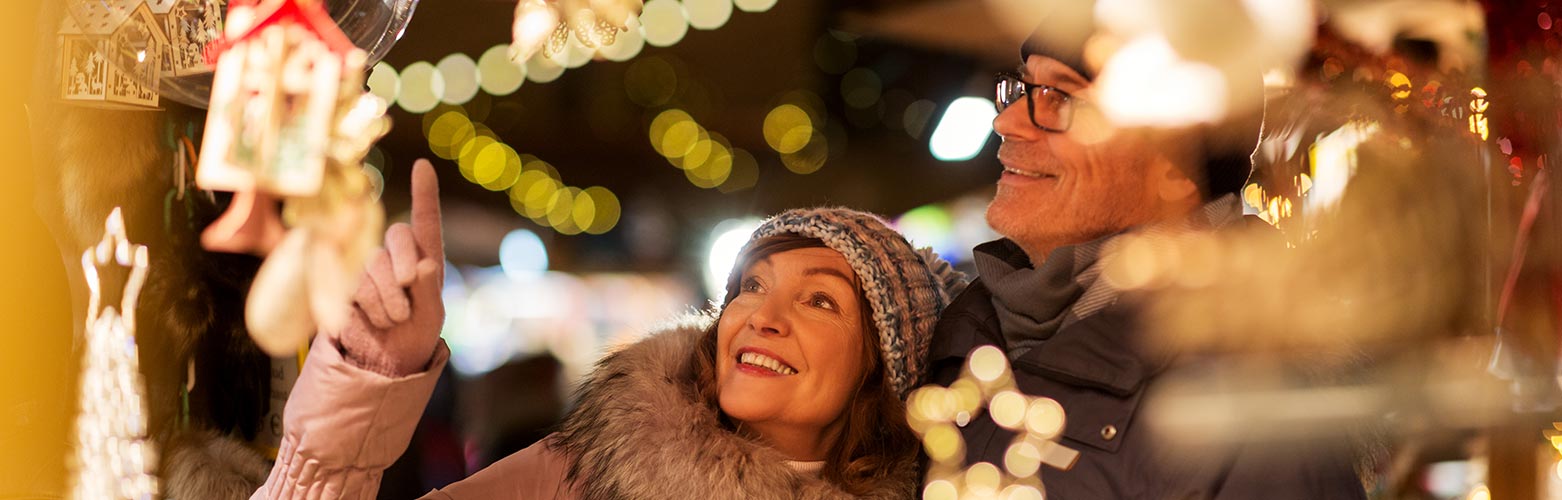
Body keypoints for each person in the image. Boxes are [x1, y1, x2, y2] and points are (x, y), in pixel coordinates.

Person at [250, 159, 967, 499]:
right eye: (750, 287)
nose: (763, 319)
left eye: (820, 302)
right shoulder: (585, 474)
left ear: (885, 367)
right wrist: (365, 387)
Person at [920, 11, 1370, 500]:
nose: (1005, 121)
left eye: (1060, 98)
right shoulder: (953, 341)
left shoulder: (1256, 401)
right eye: (1021, 88)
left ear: (1176, 166)